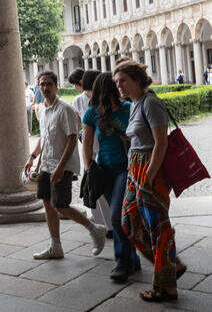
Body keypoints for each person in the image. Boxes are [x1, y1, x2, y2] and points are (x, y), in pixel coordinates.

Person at [114, 60, 186, 302]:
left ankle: (165, 287)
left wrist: (149, 176)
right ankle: (170, 263)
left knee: (158, 227)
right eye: (117, 82)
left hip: (149, 171)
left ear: (136, 79)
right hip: (135, 169)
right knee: (128, 222)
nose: (119, 86)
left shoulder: (151, 103)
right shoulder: (134, 103)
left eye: (123, 80)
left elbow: (161, 143)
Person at [24, 72, 107, 260]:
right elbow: (43, 138)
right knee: (47, 203)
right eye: (42, 85)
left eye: (49, 84)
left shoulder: (65, 109)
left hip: (63, 166)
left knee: (60, 205)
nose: (45, 88)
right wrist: (32, 157)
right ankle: (56, 246)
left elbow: (71, 139)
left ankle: (95, 229)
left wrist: (61, 167)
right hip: (46, 165)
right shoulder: (43, 110)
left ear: (56, 86)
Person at [81, 72, 140, 282]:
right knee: (121, 217)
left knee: (116, 215)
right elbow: (86, 144)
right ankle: (132, 258)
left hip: (125, 168)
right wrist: (89, 170)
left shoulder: (128, 109)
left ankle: (122, 263)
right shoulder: (91, 113)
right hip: (104, 171)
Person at [79, 70, 113, 237]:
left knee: (106, 192)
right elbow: (84, 132)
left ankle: (111, 225)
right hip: (93, 152)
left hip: (107, 153)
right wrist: (87, 165)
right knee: (96, 191)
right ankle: (102, 224)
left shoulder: (110, 102)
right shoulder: (82, 102)